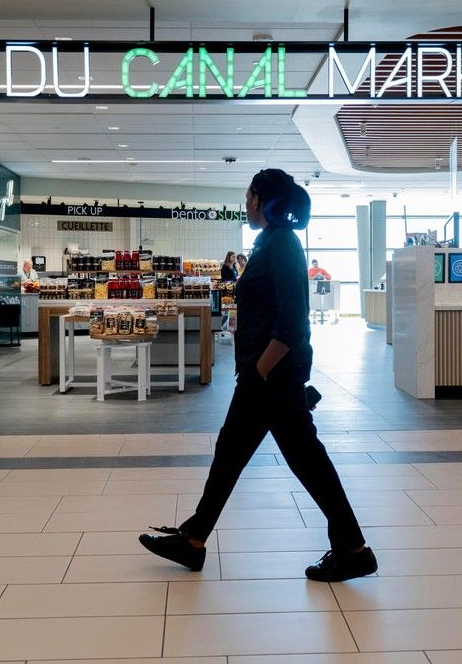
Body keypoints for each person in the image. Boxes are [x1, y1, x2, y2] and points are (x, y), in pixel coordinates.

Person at [139, 168, 376, 582]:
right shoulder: (271, 241)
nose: (246, 204)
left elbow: (292, 322)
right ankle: (195, 539)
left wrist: (259, 371)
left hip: (273, 376)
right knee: (256, 454)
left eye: (249, 197)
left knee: (293, 458)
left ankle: (353, 549)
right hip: (269, 375)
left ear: (264, 201)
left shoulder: (281, 244)